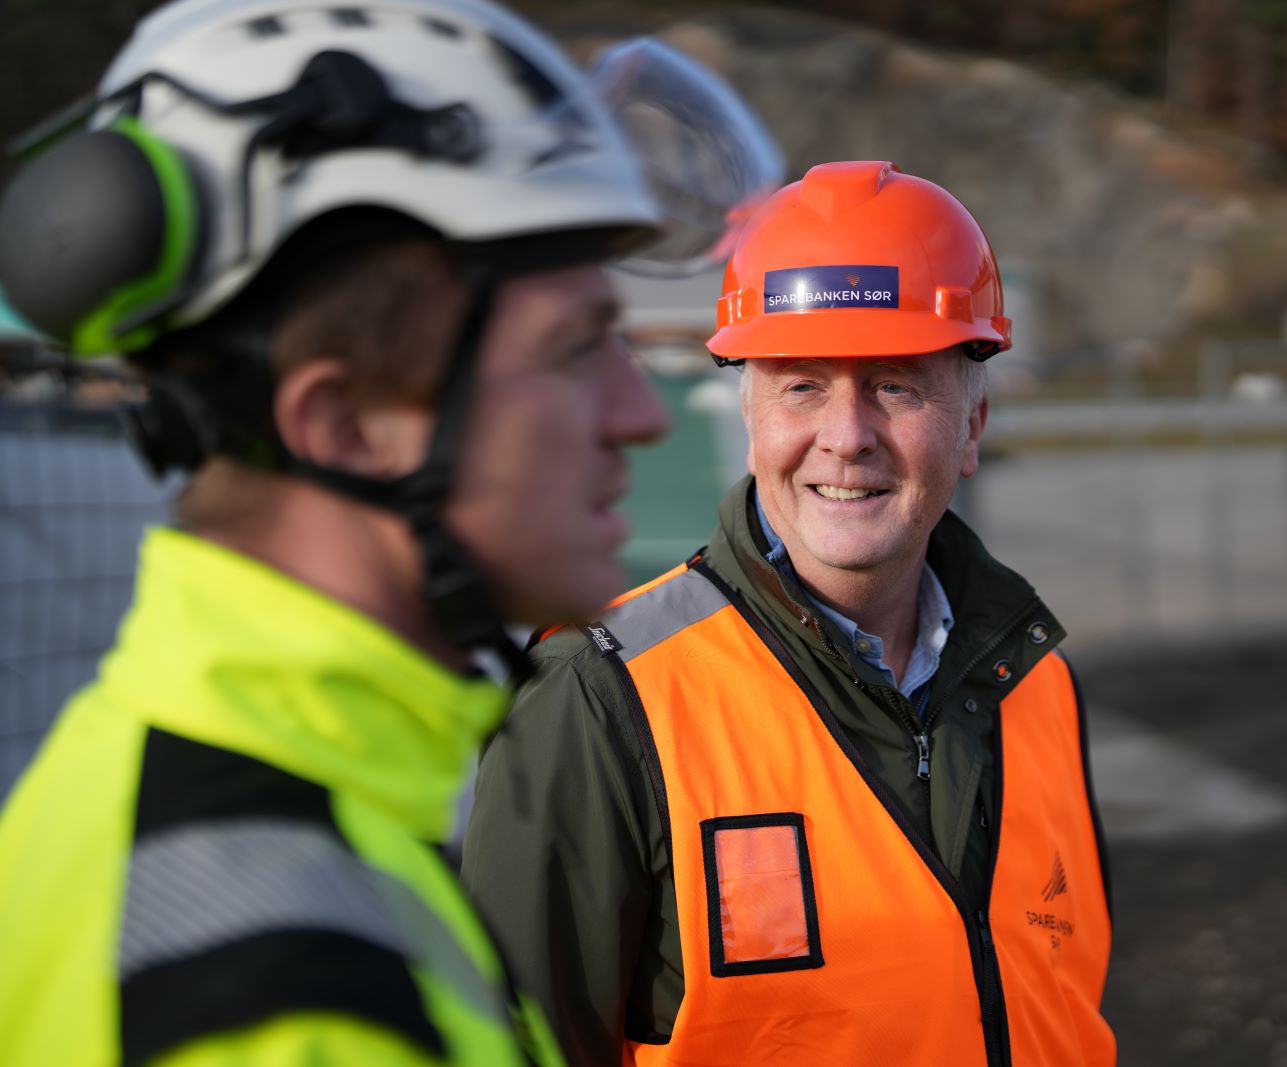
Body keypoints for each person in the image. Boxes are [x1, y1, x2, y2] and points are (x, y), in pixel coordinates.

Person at [0, 1, 776, 1063]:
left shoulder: (155, 769)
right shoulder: (293, 997)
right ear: (348, 423)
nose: (639, 413)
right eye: (572, 349)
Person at [463, 160, 1116, 1066]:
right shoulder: (600, 699)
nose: (846, 435)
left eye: (895, 383)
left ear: (971, 428)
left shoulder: (1035, 686)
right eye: (802, 384)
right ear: (750, 413)